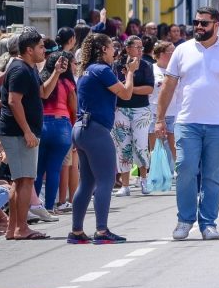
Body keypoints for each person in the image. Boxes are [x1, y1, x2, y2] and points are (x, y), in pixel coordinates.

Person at [155, 7, 219, 241]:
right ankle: (185, 220)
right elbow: (167, 87)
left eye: (204, 23)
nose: (199, 27)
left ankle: (208, 223)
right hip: (187, 122)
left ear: (216, 25)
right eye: (196, 22)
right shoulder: (181, 51)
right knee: (185, 169)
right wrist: (159, 118)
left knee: (213, 175)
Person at [68, 34, 139, 244]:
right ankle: (101, 231)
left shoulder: (86, 71)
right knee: (106, 180)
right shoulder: (102, 70)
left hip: (81, 128)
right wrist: (131, 74)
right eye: (111, 47)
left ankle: (77, 231)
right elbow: (126, 94)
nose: (114, 51)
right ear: (102, 49)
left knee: (87, 182)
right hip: (96, 131)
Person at [0, 30, 52, 239]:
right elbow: (13, 101)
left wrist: (55, 72)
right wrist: (27, 131)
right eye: (40, 46)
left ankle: (14, 229)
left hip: (19, 132)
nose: (44, 50)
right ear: (29, 50)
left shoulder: (29, 68)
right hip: (18, 133)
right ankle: (22, 228)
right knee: (26, 180)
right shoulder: (20, 69)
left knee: (19, 180)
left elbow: (43, 93)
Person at [112, 36, 155, 196]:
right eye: (137, 47)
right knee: (123, 145)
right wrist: (126, 89)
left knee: (141, 145)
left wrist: (128, 90)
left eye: (141, 47)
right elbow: (114, 87)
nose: (140, 50)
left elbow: (149, 89)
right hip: (121, 109)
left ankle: (144, 180)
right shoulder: (117, 65)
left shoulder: (146, 66)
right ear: (127, 48)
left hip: (141, 110)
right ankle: (125, 184)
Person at [36, 50, 75, 217]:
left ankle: (34, 205)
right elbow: (73, 108)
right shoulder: (67, 84)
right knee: (54, 169)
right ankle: (50, 206)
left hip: (41, 125)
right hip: (62, 126)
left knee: (37, 170)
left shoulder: (41, 80)